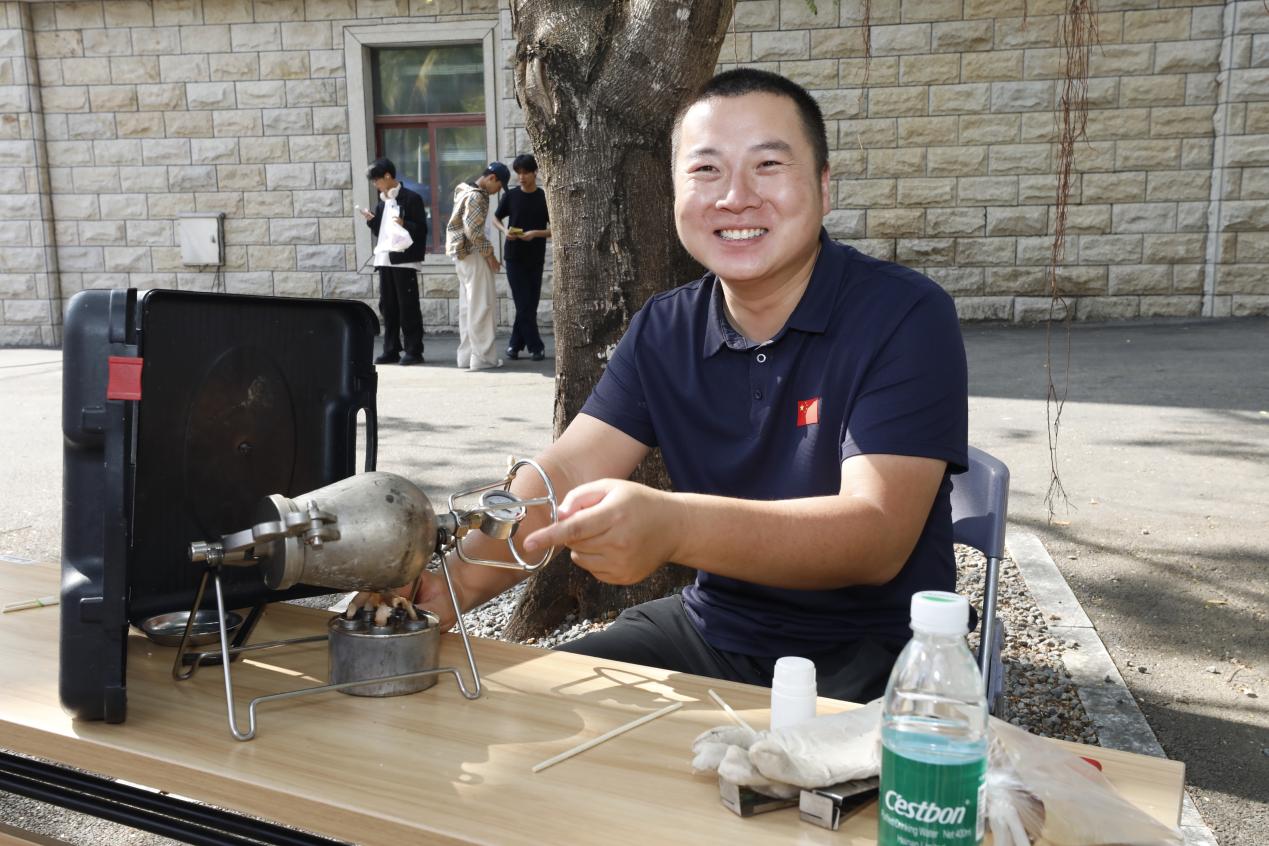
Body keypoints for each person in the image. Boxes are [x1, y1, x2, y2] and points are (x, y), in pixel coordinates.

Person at [415, 69, 968, 704]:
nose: (735, 197)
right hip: (712, 630)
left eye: (767, 165)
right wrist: (448, 586)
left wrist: (675, 527)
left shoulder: (903, 314)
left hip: (873, 656)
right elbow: (564, 472)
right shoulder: (665, 328)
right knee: (522, 711)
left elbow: (875, 536)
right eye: (706, 170)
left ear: (822, 185)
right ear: (675, 193)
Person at [361, 158, 427, 365]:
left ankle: (414, 350)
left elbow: (421, 229)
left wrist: (405, 223)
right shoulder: (382, 203)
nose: (375, 185)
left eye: (376, 180)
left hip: (404, 260)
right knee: (387, 307)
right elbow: (382, 233)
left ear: (388, 176)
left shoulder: (412, 198)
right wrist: (372, 221)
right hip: (384, 259)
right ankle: (391, 349)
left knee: (408, 306)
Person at [446, 162, 509, 371]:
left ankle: (466, 357)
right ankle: (483, 358)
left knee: (468, 308)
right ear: (492, 178)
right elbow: (473, 231)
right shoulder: (477, 196)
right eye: (499, 186)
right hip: (474, 255)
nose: (497, 191)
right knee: (482, 306)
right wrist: (490, 255)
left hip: (461, 255)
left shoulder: (463, 191)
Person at [494, 154, 551, 362]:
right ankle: (536, 347)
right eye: (518, 173)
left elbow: (555, 229)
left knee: (529, 304)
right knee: (523, 302)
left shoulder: (544, 197)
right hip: (514, 257)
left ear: (535, 173)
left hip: (535, 257)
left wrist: (535, 233)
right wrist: (505, 231)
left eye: (525, 172)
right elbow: (496, 218)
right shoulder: (511, 196)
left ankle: (515, 345)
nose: (521, 177)